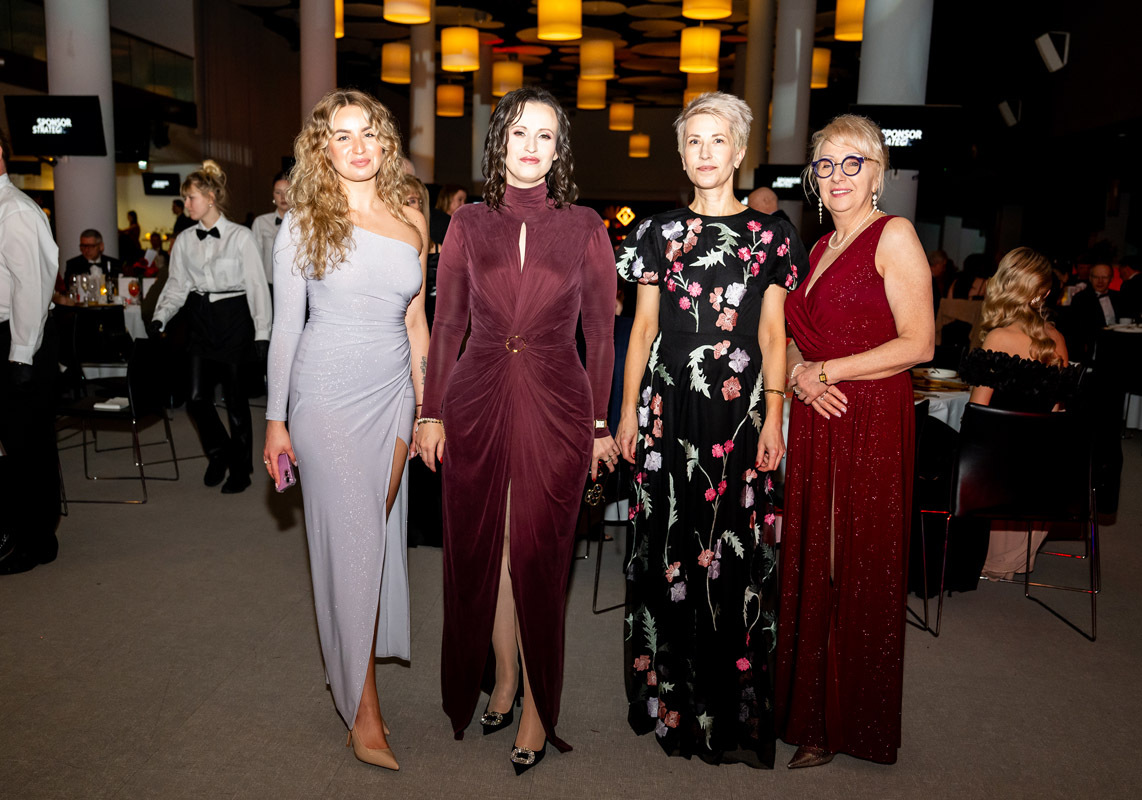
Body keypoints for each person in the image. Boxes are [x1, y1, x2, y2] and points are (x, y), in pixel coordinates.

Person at [414, 86, 617, 775]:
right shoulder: (467, 223)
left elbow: (601, 333)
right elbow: (447, 324)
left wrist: (599, 424)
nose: (531, 146)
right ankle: (501, 679)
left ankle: (536, 705)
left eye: (545, 135)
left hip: (558, 405)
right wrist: (432, 411)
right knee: (492, 550)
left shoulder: (585, 226)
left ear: (560, 151)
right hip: (477, 399)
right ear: (498, 140)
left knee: (536, 553)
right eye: (519, 132)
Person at [617, 92, 799, 770]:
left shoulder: (772, 235)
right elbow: (641, 330)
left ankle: (725, 706)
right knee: (670, 549)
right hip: (669, 411)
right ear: (680, 152)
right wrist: (626, 413)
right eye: (693, 140)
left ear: (740, 151)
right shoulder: (656, 233)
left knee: (731, 552)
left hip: (738, 415)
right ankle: (672, 701)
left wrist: (775, 415)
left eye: (717, 139)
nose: (704, 152)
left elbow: (774, 335)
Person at [263, 88, 429, 771]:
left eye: (368, 133)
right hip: (325, 398)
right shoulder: (303, 222)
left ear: (385, 142)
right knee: (354, 543)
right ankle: (363, 712)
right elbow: (285, 329)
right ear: (322, 148)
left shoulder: (412, 217)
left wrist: (427, 411)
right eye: (341, 135)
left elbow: (417, 322)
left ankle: (355, 677)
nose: (357, 146)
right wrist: (275, 422)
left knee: (370, 543)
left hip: (393, 396)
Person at [776, 114, 934, 768]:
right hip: (820, 411)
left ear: (877, 174)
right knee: (817, 557)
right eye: (825, 164)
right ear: (813, 178)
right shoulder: (819, 248)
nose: (837, 175)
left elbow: (920, 343)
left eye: (853, 162)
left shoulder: (893, 234)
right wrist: (799, 374)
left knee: (850, 562)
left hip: (868, 417)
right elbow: (797, 337)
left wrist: (826, 372)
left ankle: (844, 719)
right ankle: (811, 706)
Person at [148, 160, 271, 493]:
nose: (186, 204)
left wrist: (263, 332)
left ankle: (241, 470)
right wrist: (162, 315)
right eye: (186, 198)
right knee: (195, 398)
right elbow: (177, 284)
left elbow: (257, 286)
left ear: (211, 197)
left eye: (191, 198)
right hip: (200, 317)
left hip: (234, 317)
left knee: (235, 401)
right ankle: (220, 453)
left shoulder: (241, 237)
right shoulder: (184, 240)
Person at [960, 247, 1081, 579]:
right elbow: (1057, 410)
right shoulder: (1057, 339)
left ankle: (973, 551)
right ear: (1044, 292)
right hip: (1042, 465)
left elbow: (977, 413)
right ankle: (1014, 553)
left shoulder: (999, 337)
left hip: (998, 465)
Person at [0, 126, 61, 574]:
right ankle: (15, 528)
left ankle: (37, 540)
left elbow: (33, 288)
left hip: (19, 337)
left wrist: (21, 354)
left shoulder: (16, 210)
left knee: (27, 442)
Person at [1065, 262, 1123, 360]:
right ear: (1090, 278)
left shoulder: (1119, 297)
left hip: (1118, 348)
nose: (1100, 281)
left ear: (1111, 278)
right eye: (1096, 277)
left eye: (1104, 277)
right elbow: (1076, 331)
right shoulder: (1080, 299)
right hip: (1093, 351)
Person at [251, 171, 291, 291]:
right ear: (273, 195)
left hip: (299, 286)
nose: (283, 197)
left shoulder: (305, 223)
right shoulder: (261, 222)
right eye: (278, 192)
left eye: (287, 191)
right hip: (269, 286)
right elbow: (254, 260)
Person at [428, 182, 466, 248]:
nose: (463, 204)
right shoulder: (436, 220)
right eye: (460, 200)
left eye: (464, 201)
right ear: (448, 199)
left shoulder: (460, 223)